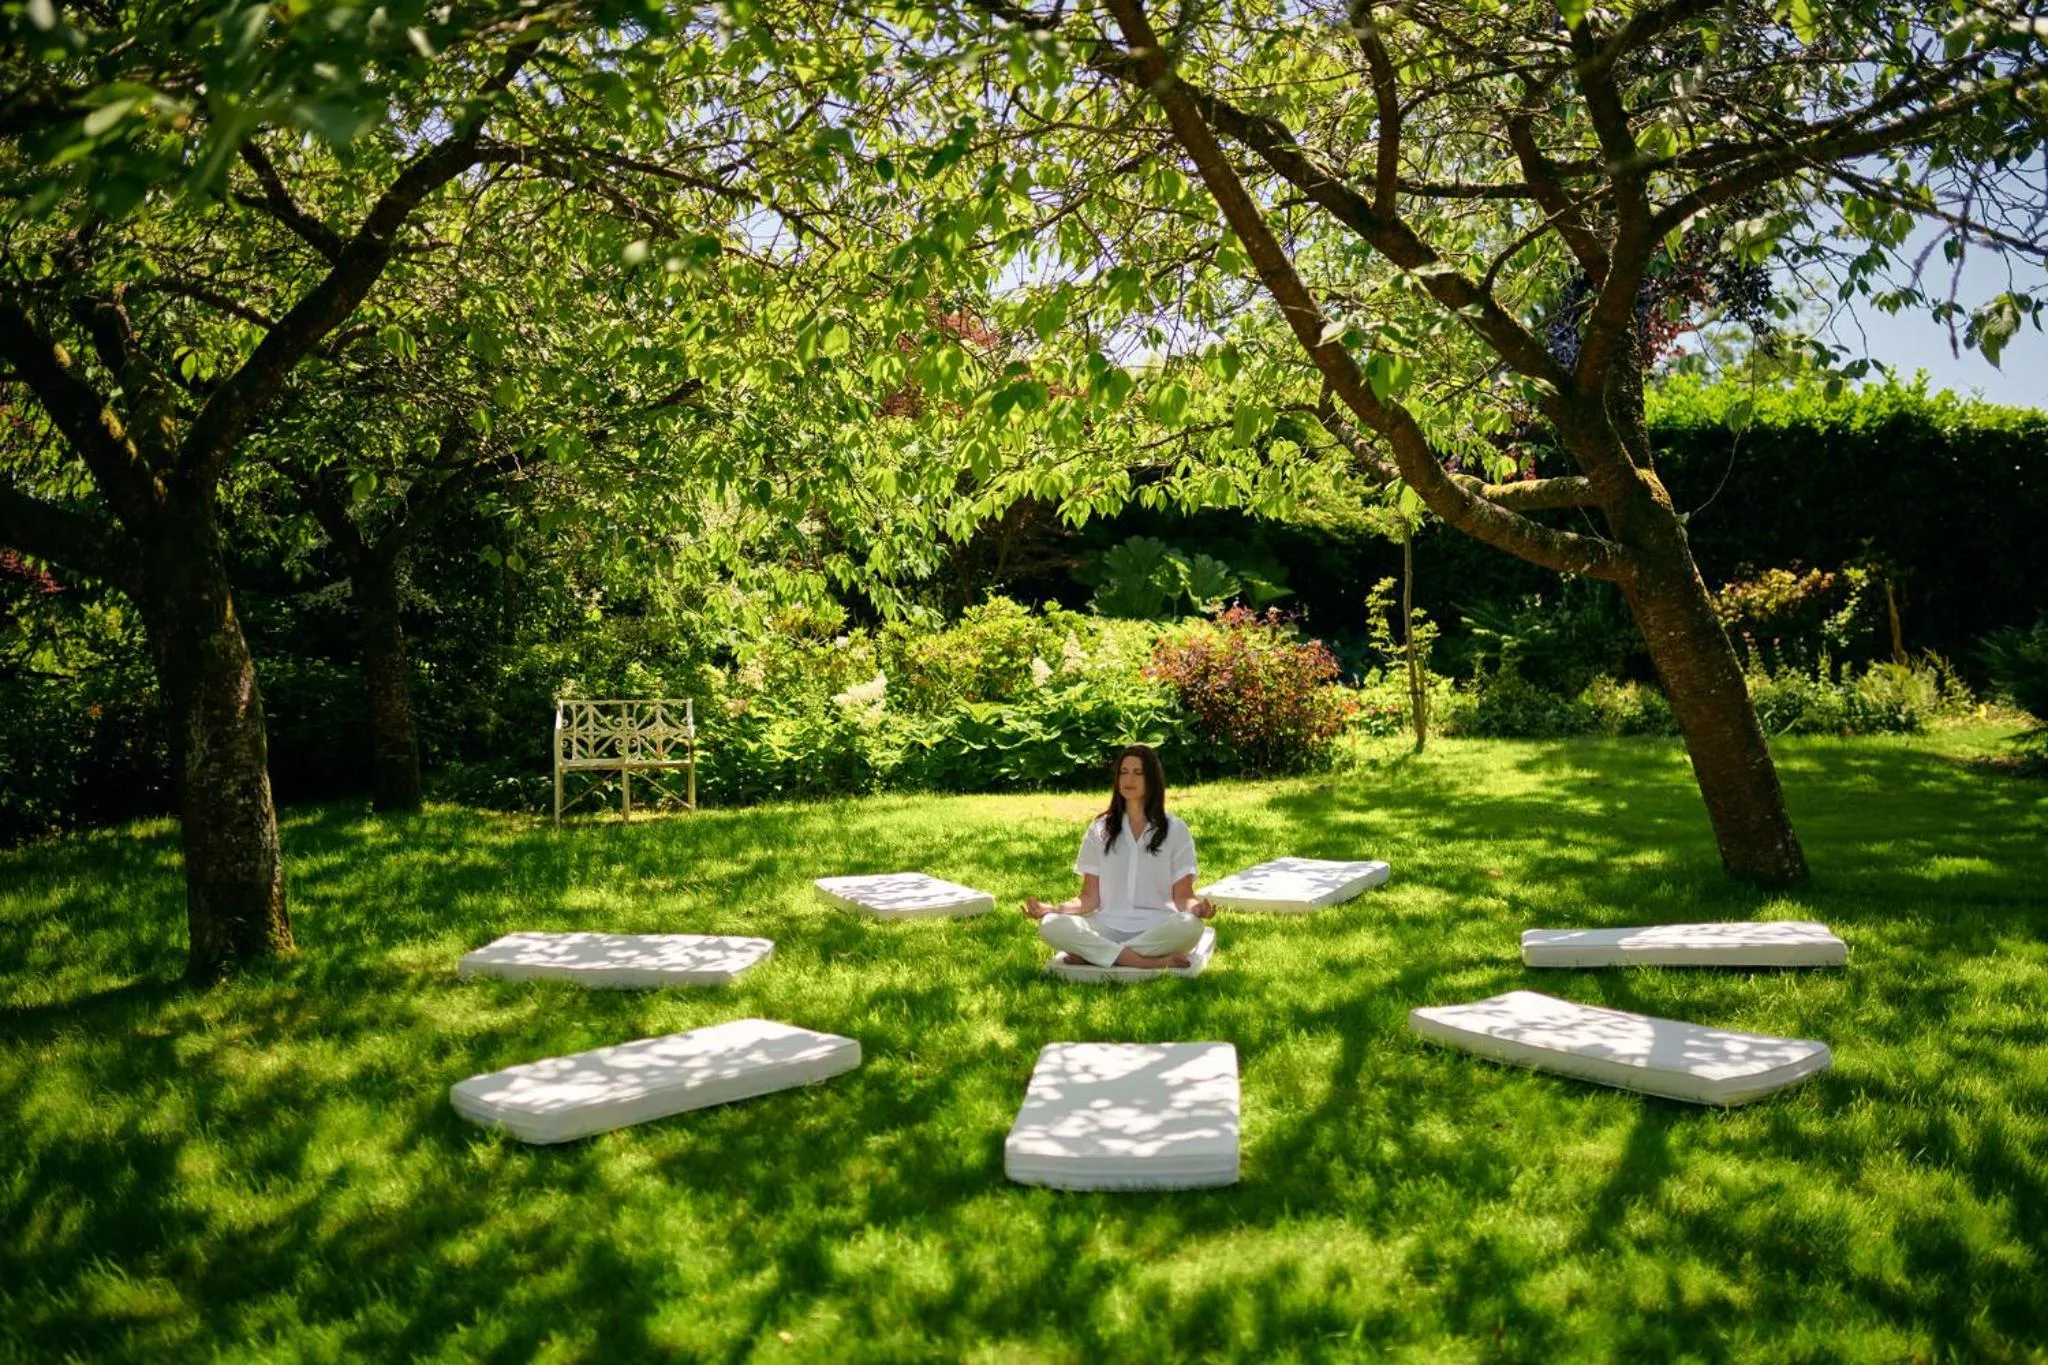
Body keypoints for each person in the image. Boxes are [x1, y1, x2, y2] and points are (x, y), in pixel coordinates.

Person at [1023, 743, 1215, 970]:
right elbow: (1089, 897)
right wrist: (1054, 909)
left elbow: (1183, 896)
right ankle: (1145, 962)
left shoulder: (1175, 830)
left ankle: (1096, 956)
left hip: (1157, 926)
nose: (1128, 779)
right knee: (1050, 925)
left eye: (1137, 772)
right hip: (1106, 925)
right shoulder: (1099, 829)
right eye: (1123, 772)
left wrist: (1196, 909)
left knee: (1191, 927)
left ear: (1152, 779)